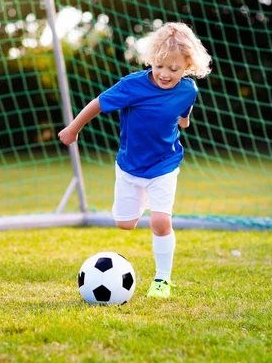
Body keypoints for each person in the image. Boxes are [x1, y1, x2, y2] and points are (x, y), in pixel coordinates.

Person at [58, 22, 212, 298]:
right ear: (152, 59)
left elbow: (185, 107)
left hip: (165, 164)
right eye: (160, 66)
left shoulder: (188, 90)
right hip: (129, 166)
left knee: (161, 222)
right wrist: (73, 129)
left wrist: (184, 120)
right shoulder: (132, 86)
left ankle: (162, 280)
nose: (165, 74)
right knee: (125, 224)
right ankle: (144, 199)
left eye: (174, 69)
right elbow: (98, 103)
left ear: (188, 66)